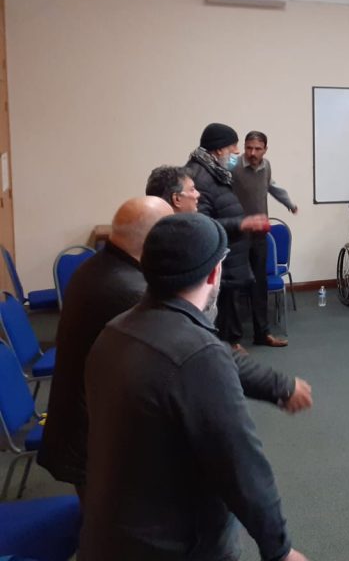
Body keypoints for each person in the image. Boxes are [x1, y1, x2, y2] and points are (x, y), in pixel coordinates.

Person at [38, 197, 312, 498]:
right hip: (94, 442)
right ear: (156, 238)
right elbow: (203, 350)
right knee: (115, 532)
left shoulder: (100, 267)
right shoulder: (130, 291)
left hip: (91, 427)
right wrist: (280, 386)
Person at [80, 213, 308, 561]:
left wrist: (277, 385)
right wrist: (279, 550)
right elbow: (241, 466)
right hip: (175, 546)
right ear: (215, 274)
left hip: (109, 535)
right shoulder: (198, 355)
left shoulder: (113, 330)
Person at [185, 122, 270, 351]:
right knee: (218, 306)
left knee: (234, 297)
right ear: (220, 149)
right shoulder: (200, 176)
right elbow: (201, 223)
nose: (236, 152)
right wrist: (241, 222)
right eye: (234, 146)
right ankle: (225, 348)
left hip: (232, 247)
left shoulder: (215, 170)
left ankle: (234, 342)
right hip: (218, 249)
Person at [233, 131, 297, 348]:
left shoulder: (266, 166)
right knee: (233, 286)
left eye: (257, 149)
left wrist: (288, 202)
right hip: (237, 234)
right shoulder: (232, 165)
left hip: (259, 234)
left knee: (259, 284)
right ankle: (233, 341)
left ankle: (262, 334)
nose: (252, 153)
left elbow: (272, 186)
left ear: (265, 150)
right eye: (249, 147)